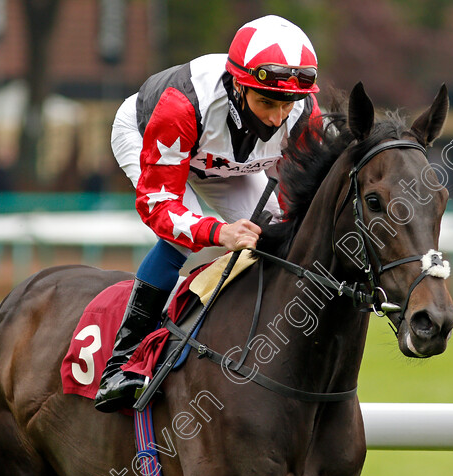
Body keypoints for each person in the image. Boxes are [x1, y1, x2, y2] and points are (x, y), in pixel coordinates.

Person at [94, 14, 322, 412]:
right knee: (182, 239)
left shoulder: (302, 113)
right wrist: (219, 234)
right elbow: (160, 207)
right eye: (266, 102)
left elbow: (309, 195)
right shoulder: (181, 104)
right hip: (155, 136)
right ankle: (122, 363)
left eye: (287, 104)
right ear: (238, 84)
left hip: (227, 160)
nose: (276, 118)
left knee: (281, 232)